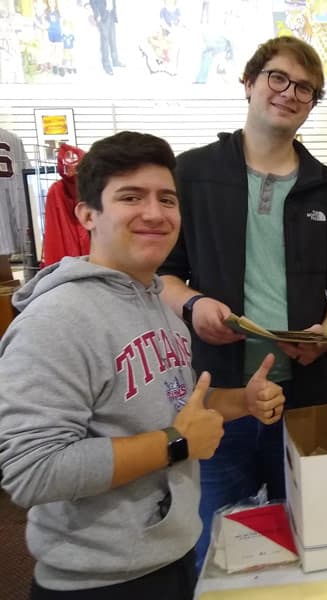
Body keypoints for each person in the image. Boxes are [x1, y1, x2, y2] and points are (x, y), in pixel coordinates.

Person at [0, 131, 286, 599]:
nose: (155, 213)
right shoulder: (56, 319)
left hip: (165, 558)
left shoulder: (159, 305)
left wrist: (242, 401)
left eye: (167, 199)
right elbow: (32, 470)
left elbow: (171, 403)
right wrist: (175, 444)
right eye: (131, 197)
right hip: (98, 583)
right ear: (87, 214)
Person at [157, 36, 327, 569]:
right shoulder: (192, 175)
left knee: (311, 542)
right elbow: (160, 274)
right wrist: (191, 306)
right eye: (278, 78)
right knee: (213, 548)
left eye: (306, 88)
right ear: (249, 83)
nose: (290, 93)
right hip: (216, 401)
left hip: (306, 401)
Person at [89, 0, 123, 76]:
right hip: (102, 16)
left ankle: (115, 61)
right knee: (105, 41)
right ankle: (106, 65)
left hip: (111, 14)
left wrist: (114, 11)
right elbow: (92, 2)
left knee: (113, 39)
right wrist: (97, 14)